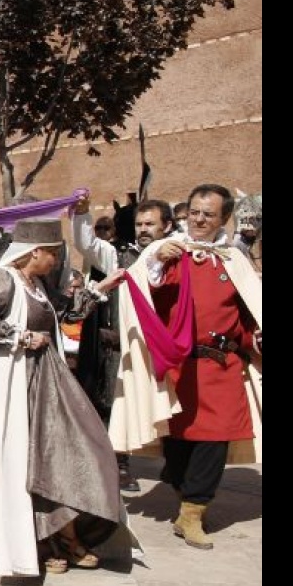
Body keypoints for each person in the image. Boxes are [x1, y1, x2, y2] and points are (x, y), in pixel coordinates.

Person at [0, 216, 131, 578]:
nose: (56, 261)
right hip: (19, 387)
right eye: (53, 254)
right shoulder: (3, 277)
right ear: (34, 252)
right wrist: (21, 338)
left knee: (84, 450)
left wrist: (103, 288)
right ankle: (49, 541)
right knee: (31, 463)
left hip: (47, 382)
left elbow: (64, 313)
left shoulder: (35, 282)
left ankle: (63, 534)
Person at [109, 183, 262, 550]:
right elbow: (148, 285)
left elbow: (248, 308)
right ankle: (180, 484)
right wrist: (158, 258)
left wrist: (254, 338)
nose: (198, 219)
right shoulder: (170, 253)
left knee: (216, 439)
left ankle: (193, 512)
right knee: (180, 441)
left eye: (208, 214)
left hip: (223, 364)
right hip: (181, 366)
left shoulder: (234, 259)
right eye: (194, 211)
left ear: (223, 218)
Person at [72, 197, 178, 492]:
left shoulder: (180, 256)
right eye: (139, 224)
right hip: (125, 346)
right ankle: (117, 464)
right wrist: (82, 214)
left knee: (169, 406)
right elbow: (88, 245)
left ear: (166, 226)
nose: (143, 230)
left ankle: (175, 464)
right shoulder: (117, 257)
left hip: (166, 349)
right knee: (114, 405)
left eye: (150, 224)